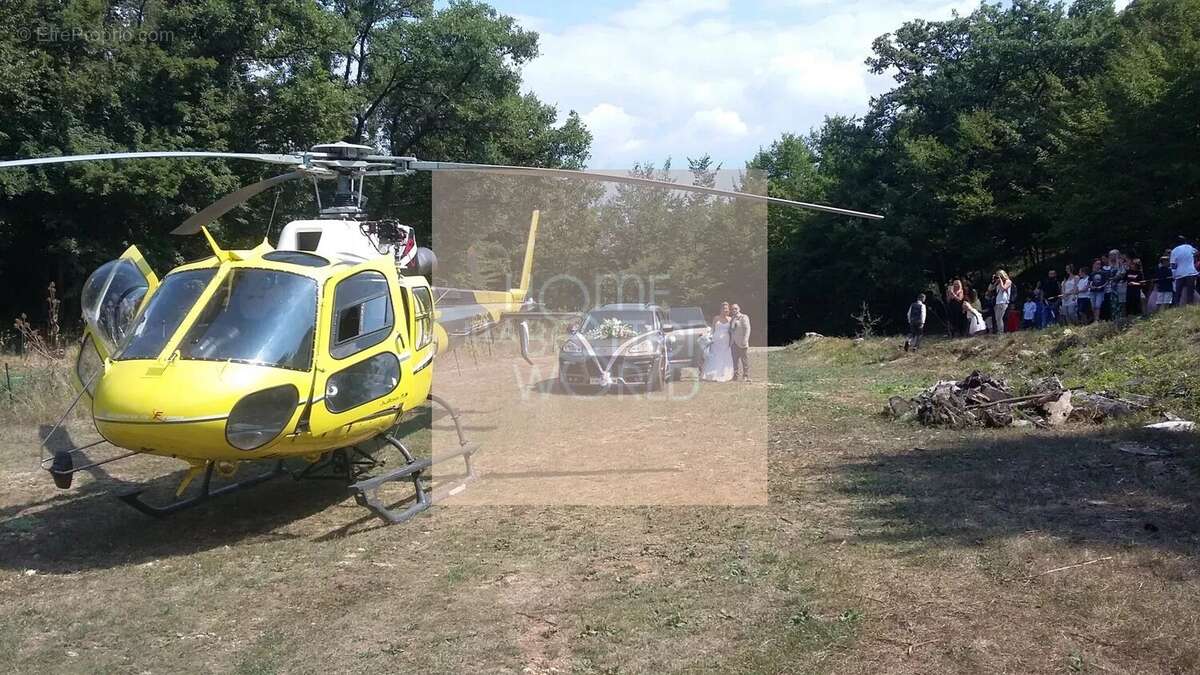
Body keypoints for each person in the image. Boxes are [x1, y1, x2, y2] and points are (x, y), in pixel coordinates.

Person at [701, 303, 734, 382]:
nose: (725, 310)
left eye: (726, 309)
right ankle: (712, 373)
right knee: (715, 356)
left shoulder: (730, 319)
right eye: (723, 308)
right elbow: (712, 329)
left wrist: (731, 341)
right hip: (716, 340)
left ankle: (723, 373)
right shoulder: (716, 318)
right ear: (721, 309)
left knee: (724, 356)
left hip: (725, 341)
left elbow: (732, 331)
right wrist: (709, 338)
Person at [1170, 238, 1199, 306]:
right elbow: (1197, 252)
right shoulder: (1189, 247)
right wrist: (1193, 259)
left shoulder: (1174, 251)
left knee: (1178, 292)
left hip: (1179, 274)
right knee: (1190, 291)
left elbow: (1173, 265)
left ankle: (1176, 305)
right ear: (1185, 242)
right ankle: (1190, 305)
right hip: (1191, 272)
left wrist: (1174, 276)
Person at [729, 303, 751, 382]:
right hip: (733, 343)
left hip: (742, 343)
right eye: (732, 309)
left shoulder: (744, 317)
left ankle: (746, 376)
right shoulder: (732, 319)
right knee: (735, 361)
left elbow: (747, 329)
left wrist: (745, 340)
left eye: (735, 308)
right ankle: (735, 376)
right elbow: (731, 331)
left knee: (744, 360)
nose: (734, 310)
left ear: (739, 309)